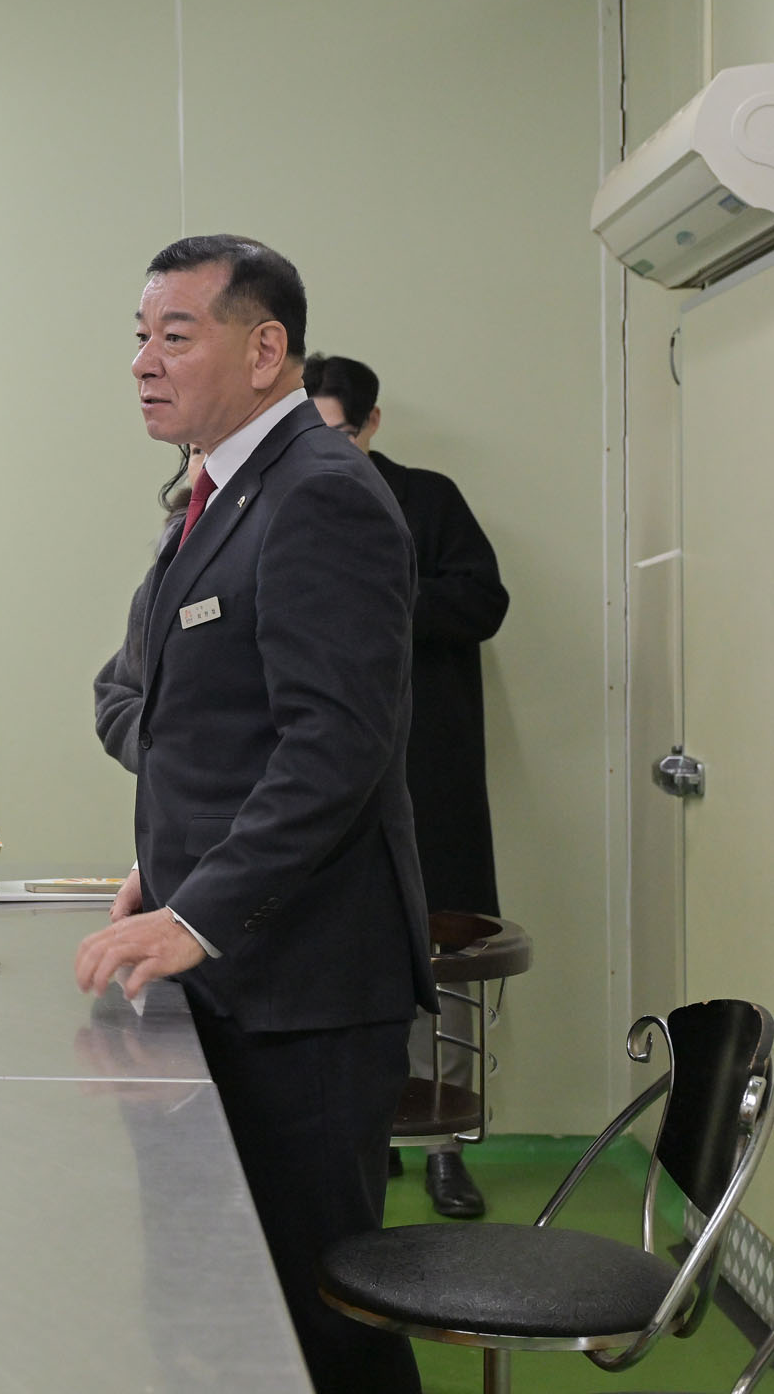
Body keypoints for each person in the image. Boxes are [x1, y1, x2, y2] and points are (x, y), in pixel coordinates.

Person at [73, 235, 434, 1394]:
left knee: (326, 1311)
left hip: (308, 983)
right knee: (235, 1295)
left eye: (176, 335)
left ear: (266, 348)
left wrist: (199, 910)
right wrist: (169, 861)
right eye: (140, 336)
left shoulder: (321, 492)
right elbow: (181, 708)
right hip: (245, 965)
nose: (144, 361)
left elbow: (337, 744)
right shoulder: (217, 494)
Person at [307, 352, 509, 1219]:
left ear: (372, 425)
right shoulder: (286, 503)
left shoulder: (428, 500)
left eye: (339, 432)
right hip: (329, 777)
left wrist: (379, 599)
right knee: (349, 952)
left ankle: (447, 1148)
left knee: (444, 955)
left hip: (430, 769)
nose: (324, 450)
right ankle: (369, 1131)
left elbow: (484, 603)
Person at [94, 446, 202, 772]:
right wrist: (161, 754)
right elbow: (116, 694)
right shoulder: (169, 567)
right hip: (181, 795)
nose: (208, 464)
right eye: (197, 451)